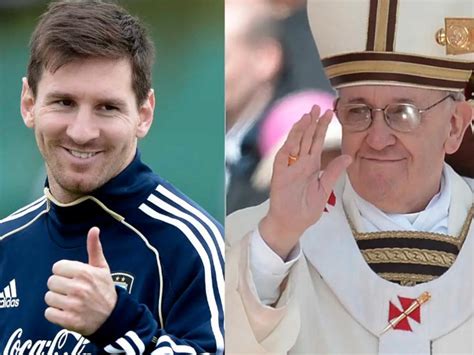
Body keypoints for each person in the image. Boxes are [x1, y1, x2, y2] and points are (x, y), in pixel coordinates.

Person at [226, 0, 473, 354]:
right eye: (358, 112)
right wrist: (278, 238)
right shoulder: (260, 237)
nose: (376, 138)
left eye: (402, 113)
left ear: (454, 126)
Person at [0, 1, 224, 353]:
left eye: (107, 107)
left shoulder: (189, 244)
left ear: (144, 114)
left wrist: (118, 322)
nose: (82, 131)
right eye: (63, 102)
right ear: (29, 103)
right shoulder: (6, 243)